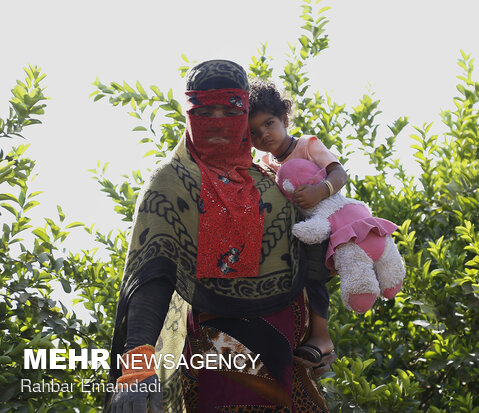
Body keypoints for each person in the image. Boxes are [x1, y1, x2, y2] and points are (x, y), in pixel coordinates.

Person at [105, 60, 332, 413]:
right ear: (188, 114)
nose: (216, 121)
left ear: (245, 115)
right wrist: (136, 370)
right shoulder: (173, 180)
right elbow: (152, 278)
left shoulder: (272, 183)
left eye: (228, 110)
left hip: (288, 347)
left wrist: (321, 333)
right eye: (204, 110)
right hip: (217, 345)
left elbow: (313, 252)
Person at [248, 79, 348, 366]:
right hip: (297, 230)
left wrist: (320, 191)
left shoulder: (307, 145)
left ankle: (322, 336)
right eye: (254, 132)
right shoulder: (266, 164)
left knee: (312, 275)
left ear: (284, 118)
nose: (264, 134)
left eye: (269, 123)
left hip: (326, 221)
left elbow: (340, 174)